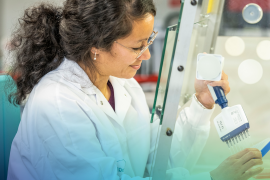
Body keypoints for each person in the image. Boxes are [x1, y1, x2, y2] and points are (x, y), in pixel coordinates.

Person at [6, 0, 263, 180]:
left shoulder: (123, 84)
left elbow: (156, 161)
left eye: (148, 40)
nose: (147, 54)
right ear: (95, 44)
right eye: (137, 46)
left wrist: (201, 102)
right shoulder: (57, 104)